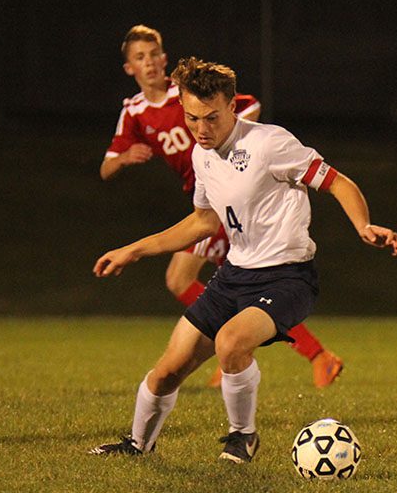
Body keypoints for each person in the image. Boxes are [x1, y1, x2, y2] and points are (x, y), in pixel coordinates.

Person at [89, 57, 397, 462]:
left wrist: (364, 225)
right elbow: (203, 221)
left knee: (231, 342)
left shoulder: (270, 143)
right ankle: (137, 444)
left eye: (212, 118)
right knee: (167, 371)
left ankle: (244, 436)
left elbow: (337, 181)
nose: (201, 129)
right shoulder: (203, 155)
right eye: (192, 118)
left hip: (288, 278)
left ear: (233, 105)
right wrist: (135, 249)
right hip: (234, 276)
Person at [101, 25, 343, 389]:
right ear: (129, 69)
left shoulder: (191, 94)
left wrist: (239, 152)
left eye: (153, 55)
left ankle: (252, 346)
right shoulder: (134, 112)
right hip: (206, 203)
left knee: (181, 279)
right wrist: (124, 159)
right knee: (224, 285)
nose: (149, 63)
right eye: (139, 58)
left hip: (229, 201)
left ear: (164, 59)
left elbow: (248, 106)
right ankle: (300, 352)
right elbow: (106, 166)